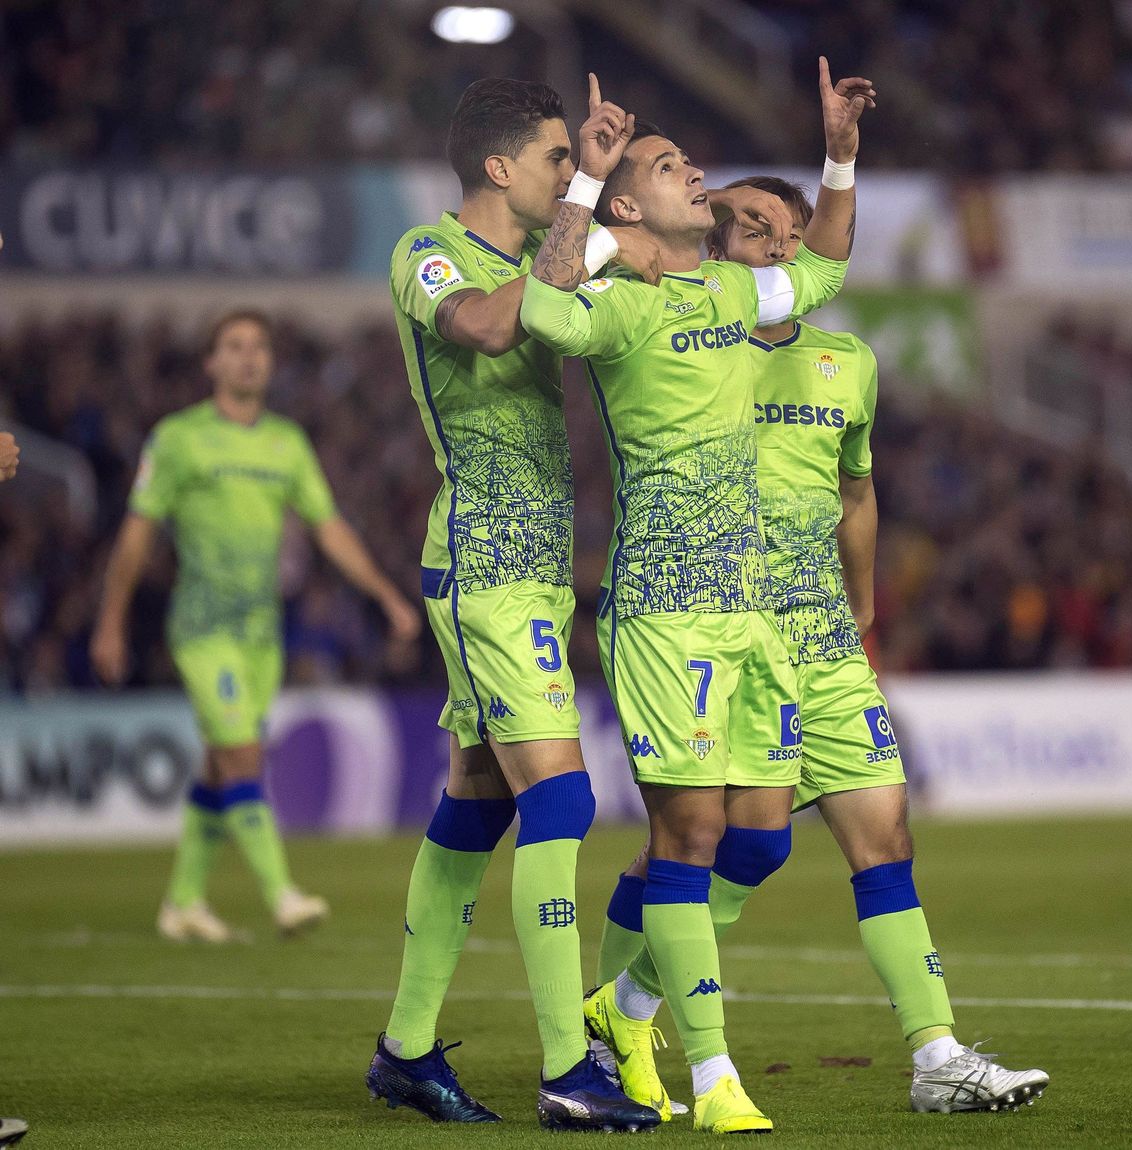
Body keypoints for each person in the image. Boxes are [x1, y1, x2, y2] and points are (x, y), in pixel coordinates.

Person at [590, 174, 1051, 1113]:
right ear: (717, 238)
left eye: (790, 232)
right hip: (715, 620)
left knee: (885, 835)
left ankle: (936, 1057)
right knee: (716, 848)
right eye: (753, 226)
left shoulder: (849, 360)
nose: (775, 244)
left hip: (823, 639)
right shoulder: (686, 341)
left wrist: (862, 602)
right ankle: (620, 1015)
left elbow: (857, 491)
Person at [518, 61, 869, 1134]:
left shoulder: (725, 288)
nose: (696, 173)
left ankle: (623, 1006)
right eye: (672, 167)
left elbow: (827, 270)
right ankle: (712, 1073)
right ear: (630, 201)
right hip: (665, 608)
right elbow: (540, 304)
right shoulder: (617, 308)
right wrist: (584, 182)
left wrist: (839, 152)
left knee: (762, 837)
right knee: (692, 830)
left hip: (752, 609)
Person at [363, 76, 665, 1132]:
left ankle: (404, 1051)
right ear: (499, 168)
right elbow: (492, 328)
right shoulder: (423, 250)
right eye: (551, 159)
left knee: (479, 803)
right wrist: (585, 204)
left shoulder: (550, 254)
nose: (563, 176)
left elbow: (615, 274)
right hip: (483, 561)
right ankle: (566, 1066)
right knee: (564, 800)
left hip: (536, 563)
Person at [91, 310, 420, 943]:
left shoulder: (287, 444)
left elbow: (330, 529)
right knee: (243, 754)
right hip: (201, 629)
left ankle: (183, 901)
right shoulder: (178, 439)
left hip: (262, 634)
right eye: (234, 346)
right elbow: (137, 535)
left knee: (224, 762)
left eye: (259, 348)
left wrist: (385, 594)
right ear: (211, 362)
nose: (249, 357)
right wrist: (111, 620)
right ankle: (282, 894)